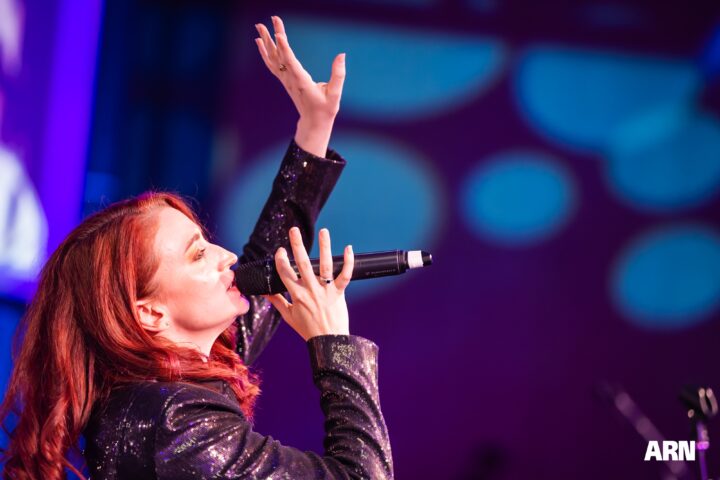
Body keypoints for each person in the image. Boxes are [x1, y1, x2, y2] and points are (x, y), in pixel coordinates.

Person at [0, 16, 394, 479]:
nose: (228, 257)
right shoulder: (176, 422)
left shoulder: (162, 390)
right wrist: (335, 346)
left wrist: (314, 127)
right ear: (149, 313)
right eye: (197, 254)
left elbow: (264, 258)